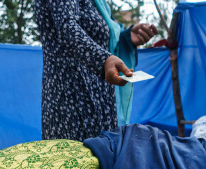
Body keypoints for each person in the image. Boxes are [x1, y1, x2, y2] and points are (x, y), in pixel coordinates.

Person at [35, 0, 157, 141]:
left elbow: (101, 40)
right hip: (73, 100)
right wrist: (104, 60)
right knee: (78, 158)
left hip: (100, 101)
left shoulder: (99, 4)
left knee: (102, 156)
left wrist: (126, 38)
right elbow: (66, 27)